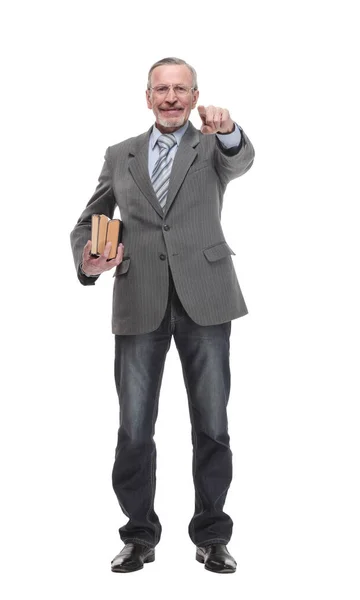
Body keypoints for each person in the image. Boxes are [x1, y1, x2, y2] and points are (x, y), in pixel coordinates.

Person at [70, 57, 255, 574]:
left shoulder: (212, 145)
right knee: (133, 428)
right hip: (138, 298)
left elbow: (242, 161)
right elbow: (90, 219)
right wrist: (88, 257)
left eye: (181, 89)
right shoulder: (120, 153)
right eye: (161, 89)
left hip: (207, 297)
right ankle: (139, 535)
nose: (171, 98)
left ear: (195, 97)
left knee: (212, 424)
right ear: (147, 96)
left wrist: (231, 131)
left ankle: (212, 535)